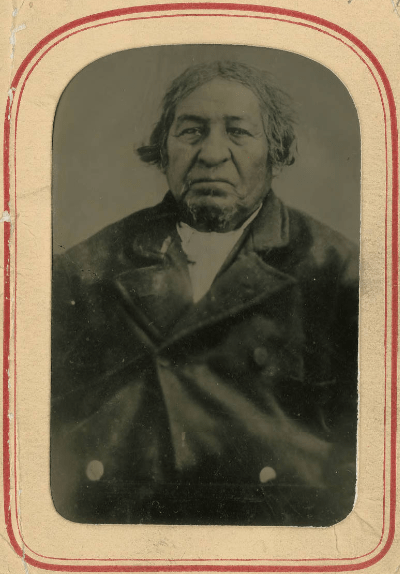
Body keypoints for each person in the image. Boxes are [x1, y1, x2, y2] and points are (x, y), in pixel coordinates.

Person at [51, 60, 359, 526]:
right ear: (164, 151)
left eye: (238, 132)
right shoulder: (86, 270)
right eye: (191, 131)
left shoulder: (337, 274)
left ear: (275, 152)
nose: (212, 154)